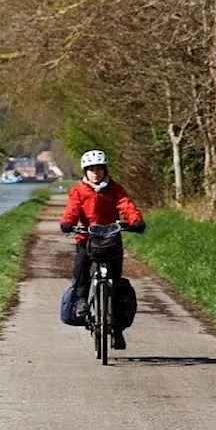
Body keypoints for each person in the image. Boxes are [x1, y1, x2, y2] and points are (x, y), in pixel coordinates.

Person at [59, 149, 145, 350]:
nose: (95, 173)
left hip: (111, 240)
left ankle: (117, 330)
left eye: (99, 169)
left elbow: (126, 205)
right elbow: (72, 209)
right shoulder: (78, 190)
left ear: (105, 170)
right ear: (86, 171)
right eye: (91, 169)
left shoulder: (115, 189)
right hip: (86, 239)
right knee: (81, 269)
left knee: (115, 283)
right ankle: (81, 301)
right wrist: (68, 222)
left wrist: (135, 220)